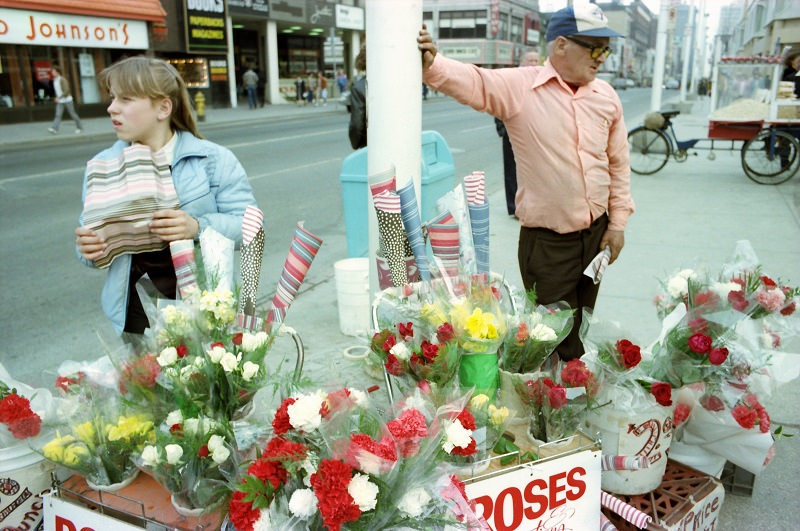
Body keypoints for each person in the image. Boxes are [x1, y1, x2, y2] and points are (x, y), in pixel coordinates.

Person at [418, 4, 634, 360]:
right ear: (561, 45)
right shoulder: (521, 87)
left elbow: (618, 164)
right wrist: (433, 65)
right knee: (549, 341)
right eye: (595, 47)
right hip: (549, 245)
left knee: (580, 327)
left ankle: (572, 397)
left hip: (597, 236)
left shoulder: (606, 97)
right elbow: (476, 82)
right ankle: (552, 407)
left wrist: (618, 223)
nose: (602, 58)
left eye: (606, 48)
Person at [74, 56, 258, 336]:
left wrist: (197, 227)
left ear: (163, 107)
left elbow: (251, 229)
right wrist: (88, 249)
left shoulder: (212, 159)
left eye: (125, 99)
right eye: (112, 98)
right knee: (144, 380)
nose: (112, 108)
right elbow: (91, 247)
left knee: (203, 380)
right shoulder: (102, 167)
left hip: (202, 308)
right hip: (134, 315)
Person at [495, 50, 539, 216]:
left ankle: (530, 204)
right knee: (512, 170)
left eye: (536, 60)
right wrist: (501, 128)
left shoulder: (541, 79)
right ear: (522, 61)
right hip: (512, 131)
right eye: (530, 60)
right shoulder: (512, 79)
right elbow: (499, 102)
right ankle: (514, 207)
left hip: (534, 132)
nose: (534, 63)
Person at [48, 65, 84, 134]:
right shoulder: (55, 80)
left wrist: (59, 97)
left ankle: (80, 128)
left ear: (58, 72)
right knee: (58, 114)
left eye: (54, 71)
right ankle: (54, 128)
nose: (52, 72)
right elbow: (58, 91)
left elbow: (66, 90)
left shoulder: (62, 79)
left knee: (73, 114)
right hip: (60, 101)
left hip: (67, 100)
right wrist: (57, 98)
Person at [349, 45, 367, 150]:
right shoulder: (398, 83)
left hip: (370, 146)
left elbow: (356, 124)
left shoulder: (360, 87)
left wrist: (356, 144)